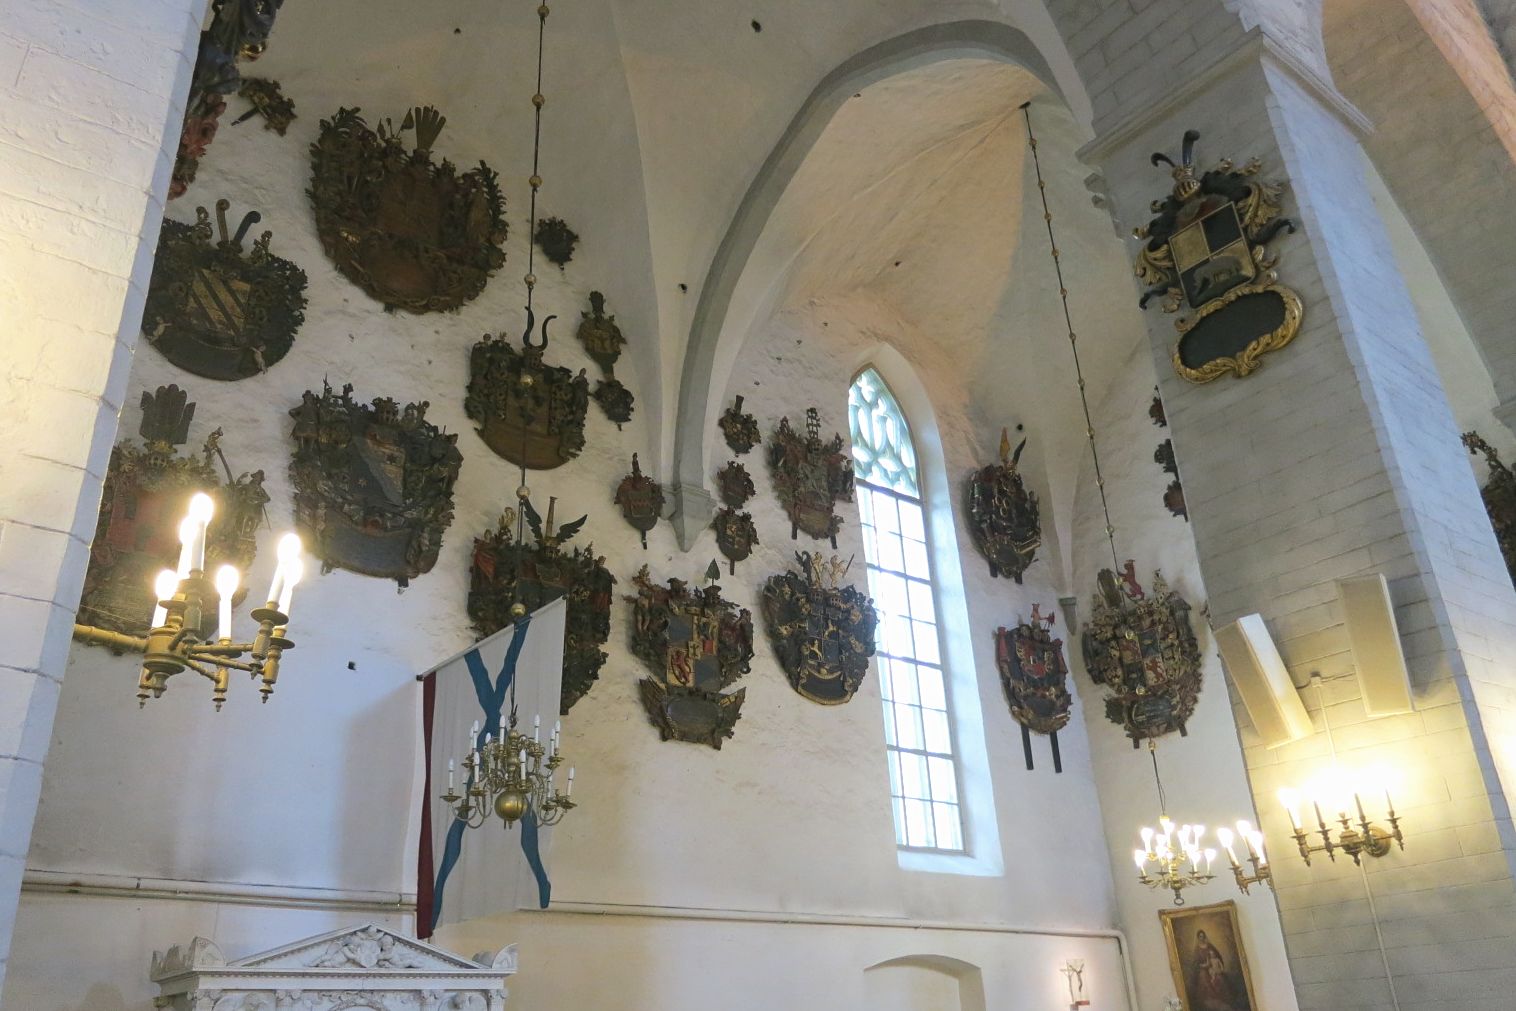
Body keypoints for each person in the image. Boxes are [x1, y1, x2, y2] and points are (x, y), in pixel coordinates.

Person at [1188, 929, 1244, 1011]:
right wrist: (1203, 966)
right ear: (1198, 938)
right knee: (1203, 976)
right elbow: (1195, 962)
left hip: (1213, 968)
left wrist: (1216, 966)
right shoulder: (1197, 949)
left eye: (1203, 936)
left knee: (1220, 978)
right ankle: (1210, 999)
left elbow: (1217, 955)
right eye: (1200, 937)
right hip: (1203, 969)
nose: (1202, 938)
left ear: (1204, 937)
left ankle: (1224, 999)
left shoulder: (1209, 946)